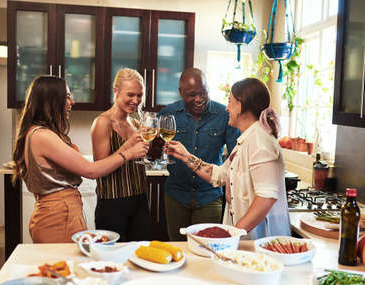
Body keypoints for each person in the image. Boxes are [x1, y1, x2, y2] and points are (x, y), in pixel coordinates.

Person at [12, 75, 149, 243]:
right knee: (61, 267)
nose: (72, 102)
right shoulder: (42, 136)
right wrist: (129, 151)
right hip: (58, 216)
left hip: (65, 213)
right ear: (51, 100)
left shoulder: (42, 133)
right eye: (67, 96)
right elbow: (91, 170)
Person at [167, 78, 290, 239]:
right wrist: (185, 156)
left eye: (230, 102)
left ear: (240, 105)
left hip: (261, 240)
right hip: (247, 238)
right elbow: (219, 175)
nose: (226, 108)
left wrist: (233, 234)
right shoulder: (247, 140)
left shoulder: (261, 142)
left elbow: (266, 197)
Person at [158, 68, 240, 241]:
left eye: (203, 92)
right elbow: (154, 150)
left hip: (209, 196)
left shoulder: (224, 115)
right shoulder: (167, 114)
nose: (199, 99)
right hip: (176, 196)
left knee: (208, 249)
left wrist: (232, 187)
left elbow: (236, 156)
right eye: (192, 94)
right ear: (181, 93)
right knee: (178, 247)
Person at [91, 68, 150, 242]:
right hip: (112, 205)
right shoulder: (103, 122)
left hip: (140, 200)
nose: (136, 100)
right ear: (116, 91)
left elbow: (141, 158)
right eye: (130, 94)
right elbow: (100, 168)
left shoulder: (135, 122)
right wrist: (129, 146)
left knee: (139, 258)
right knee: (113, 261)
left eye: (139, 95)